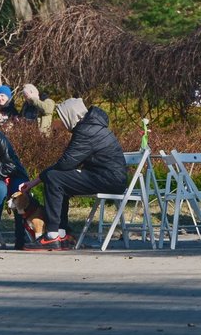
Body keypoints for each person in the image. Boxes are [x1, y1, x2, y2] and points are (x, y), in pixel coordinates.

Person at [21, 98, 126, 251]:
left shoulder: (87, 131)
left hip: (108, 179)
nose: (62, 124)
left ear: (72, 116)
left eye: (63, 119)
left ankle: (52, 236)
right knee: (59, 180)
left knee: (54, 178)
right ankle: (61, 234)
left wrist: (35, 181)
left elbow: (65, 163)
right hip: (108, 177)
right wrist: (36, 181)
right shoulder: (92, 126)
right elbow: (68, 163)